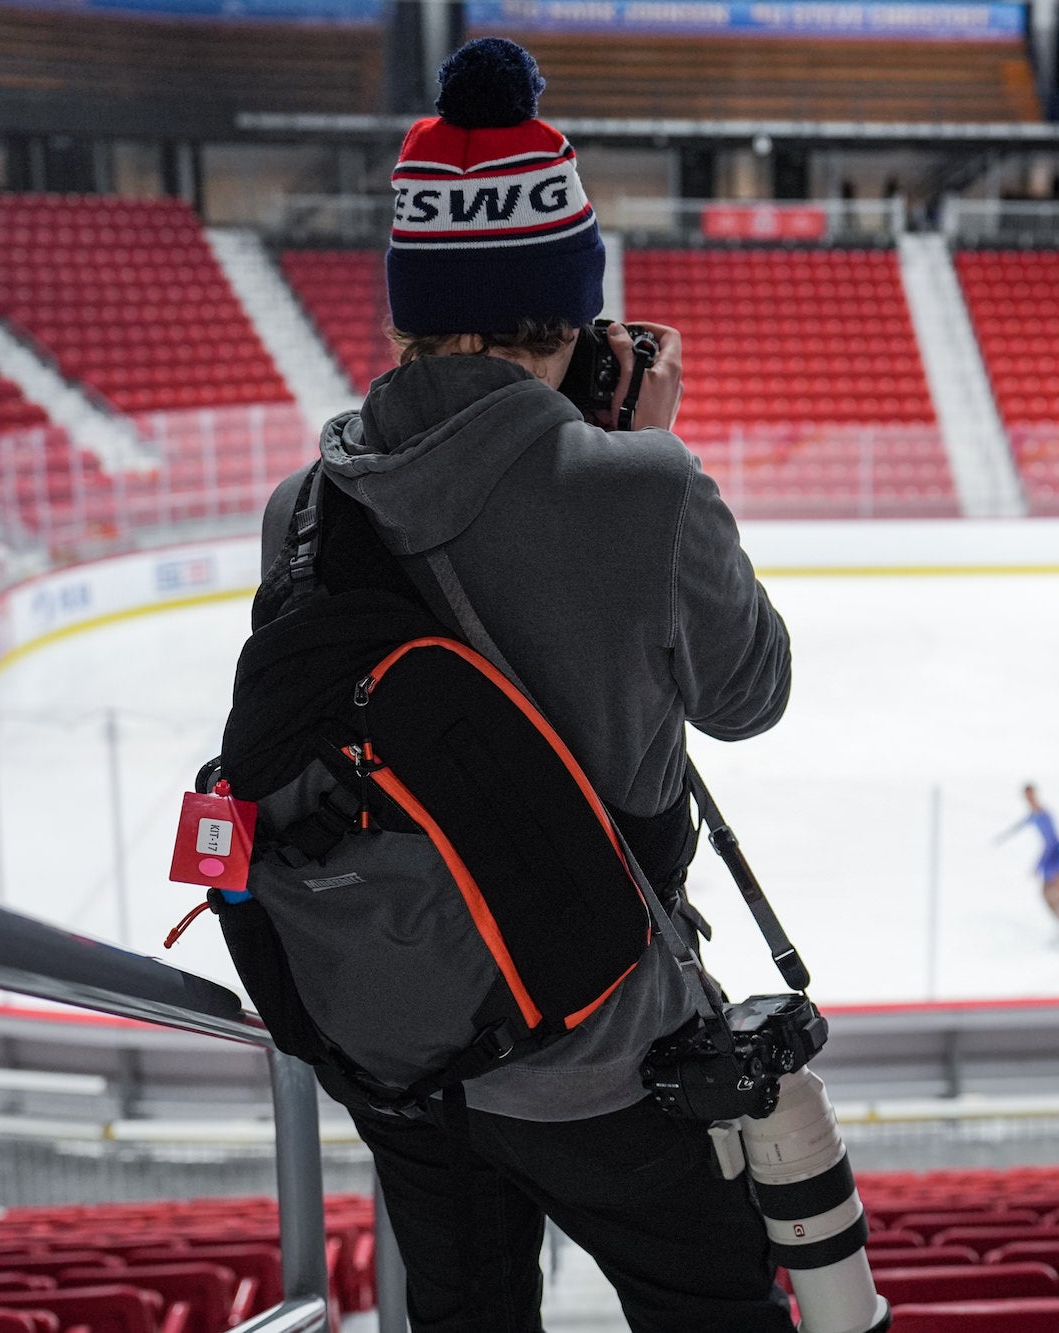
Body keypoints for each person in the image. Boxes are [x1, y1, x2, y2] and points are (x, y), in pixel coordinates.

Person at [243, 37, 794, 1333]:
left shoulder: (302, 510)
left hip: (404, 1046)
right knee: (723, 1305)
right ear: (576, 307)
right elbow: (749, 694)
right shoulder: (643, 488)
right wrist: (646, 456)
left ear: (408, 306)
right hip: (610, 1049)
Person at [1000, 784, 1059, 953]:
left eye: (1031, 795)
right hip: (1049, 858)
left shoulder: (1045, 815)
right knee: (1045, 894)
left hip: (1058, 856)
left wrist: (1038, 865)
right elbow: (1024, 823)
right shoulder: (1034, 816)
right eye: (1026, 796)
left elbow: (1051, 842)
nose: (1029, 799)